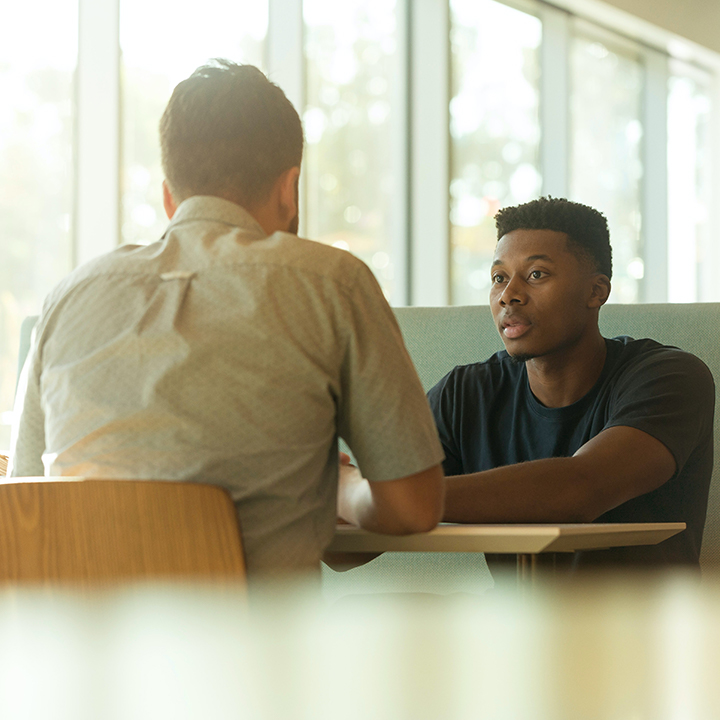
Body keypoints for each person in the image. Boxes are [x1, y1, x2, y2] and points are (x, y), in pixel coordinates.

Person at [9, 60, 444, 577]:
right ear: (290, 188)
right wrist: (343, 489)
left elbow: (22, 500)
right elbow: (413, 507)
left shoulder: (68, 297)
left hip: (73, 650)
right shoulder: (332, 283)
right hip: (255, 652)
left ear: (170, 196)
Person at [428, 197, 714, 569]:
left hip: (643, 624)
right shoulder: (464, 393)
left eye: (536, 275)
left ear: (596, 292)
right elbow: (346, 552)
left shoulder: (670, 377)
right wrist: (347, 494)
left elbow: (579, 490)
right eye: (499, 277)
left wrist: (389, 498)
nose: (507, 295)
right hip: (516, 623)